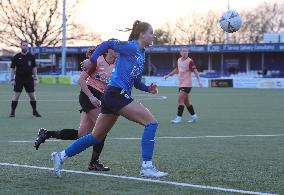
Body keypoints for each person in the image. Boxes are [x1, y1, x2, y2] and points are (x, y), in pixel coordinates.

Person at [51, 20, 168, 178]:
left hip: (111, 96)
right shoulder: (131, 46)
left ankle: (61, 156)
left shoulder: (142, 53)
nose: (154, 35)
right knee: (151, 123)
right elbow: (106, 44)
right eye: (151, 32)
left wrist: (148, 89)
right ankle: (147, 166)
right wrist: (92, 60)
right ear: (142, 34)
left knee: (96, 136)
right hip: (116, 94)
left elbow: (137, 82)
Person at [34, 47, 116, 171]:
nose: (120, 50)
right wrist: (91, 97)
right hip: (88, 95)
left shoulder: (117, 64)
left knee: (82, 134)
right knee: (102, 129)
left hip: (100, 98)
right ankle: (94, 163)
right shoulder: (97, 61)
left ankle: (46, 134)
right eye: (116, 48)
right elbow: (81, 80)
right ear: (108, 50)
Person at [165, 46, 202, 124]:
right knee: (187, 102)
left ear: (188, 52)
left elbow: (195, 71)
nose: (185, 52)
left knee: (180, 100)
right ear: (180, 52)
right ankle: (194, 116)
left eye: (186, 51)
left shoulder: (190, 61)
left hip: (187, 84)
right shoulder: (179, 60)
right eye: (183, 51)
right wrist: (169, 74)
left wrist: (199, 81)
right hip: (181, 84)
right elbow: (177, 69)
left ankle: (178, 119)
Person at [9, 41, 41, 117]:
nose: (25, 47)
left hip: (29, 79)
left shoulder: (31, 56)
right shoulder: (16, 57)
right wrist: (12, 79)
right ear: (21, 46)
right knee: (16, 96)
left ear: (28, 47)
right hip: (19, 79)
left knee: (32, 96)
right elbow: (13, 69)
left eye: (26, 45)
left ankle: (34, 111)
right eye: (24, 45)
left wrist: (35, 78)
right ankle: (12, 112)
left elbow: (34, 68)